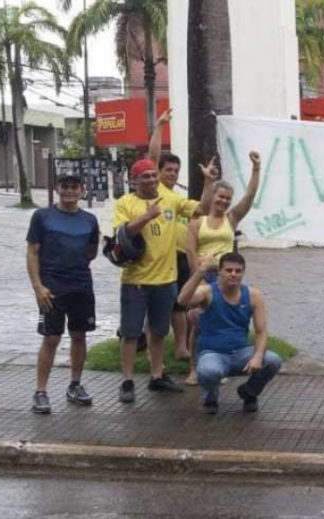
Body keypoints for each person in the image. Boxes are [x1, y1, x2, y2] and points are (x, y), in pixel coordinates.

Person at [112, 157, 214, 403]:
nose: (149, 180)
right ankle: (127, 380)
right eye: (143, 176)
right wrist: (147, 216)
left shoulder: (171, 198)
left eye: (151, 175)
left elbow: (203, 209)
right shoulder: (125, 202)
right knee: (130, 333)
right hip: (135, 280)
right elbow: (122, 233)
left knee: (158, 331)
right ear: (133, 180)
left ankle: (157, 375)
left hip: (166, 280)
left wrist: (209, 181)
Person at [183, 151, 262, 385]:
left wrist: (256, 168)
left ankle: (222, 363)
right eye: (220, 197)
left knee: (227, 321)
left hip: (227, 276)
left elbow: (250, 195)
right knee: (197, 321)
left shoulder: (232, 219)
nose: (224, 201)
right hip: (204, 275)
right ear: (213, 196)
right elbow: (190, 252)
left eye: (227, 198)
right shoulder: (197, 222)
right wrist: (197, 277)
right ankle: (195, 368)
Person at [26, 170, 100, 414]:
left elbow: (91, 252)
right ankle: (40, 391)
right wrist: (38, 286)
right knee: (51, 338)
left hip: (81, 286)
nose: (69, 190)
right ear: (57, 189)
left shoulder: (89, 220)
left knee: (79, 335)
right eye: (65, 186)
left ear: (82, 191)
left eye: (74, 186)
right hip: (52, 289)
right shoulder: (42, 217)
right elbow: (33, 252)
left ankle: (75, 385)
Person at [176, 253, 282, 414]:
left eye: (238, 271)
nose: (233, 274)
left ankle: (249, 392)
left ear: (243, 273)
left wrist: (258, 357)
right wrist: (200, 272)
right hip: (212, 353)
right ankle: (210, 397)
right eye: (229, 270)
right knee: (208, 371)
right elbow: (182, 300)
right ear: (220, 272)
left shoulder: (254, 295)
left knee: (273, 360)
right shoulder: (207, 292)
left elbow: (261, 331)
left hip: (241, 353)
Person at [148, 109, 194, 361]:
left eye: (176, 170)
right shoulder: (153, 189)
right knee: (155, 307)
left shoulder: (178, 197)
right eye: (169, 170)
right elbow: (152, 157)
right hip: (159, 257)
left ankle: (181, 347)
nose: (173, 174)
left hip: (181, 256)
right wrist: (160, 127)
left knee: (181, 303)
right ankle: (153, 352)